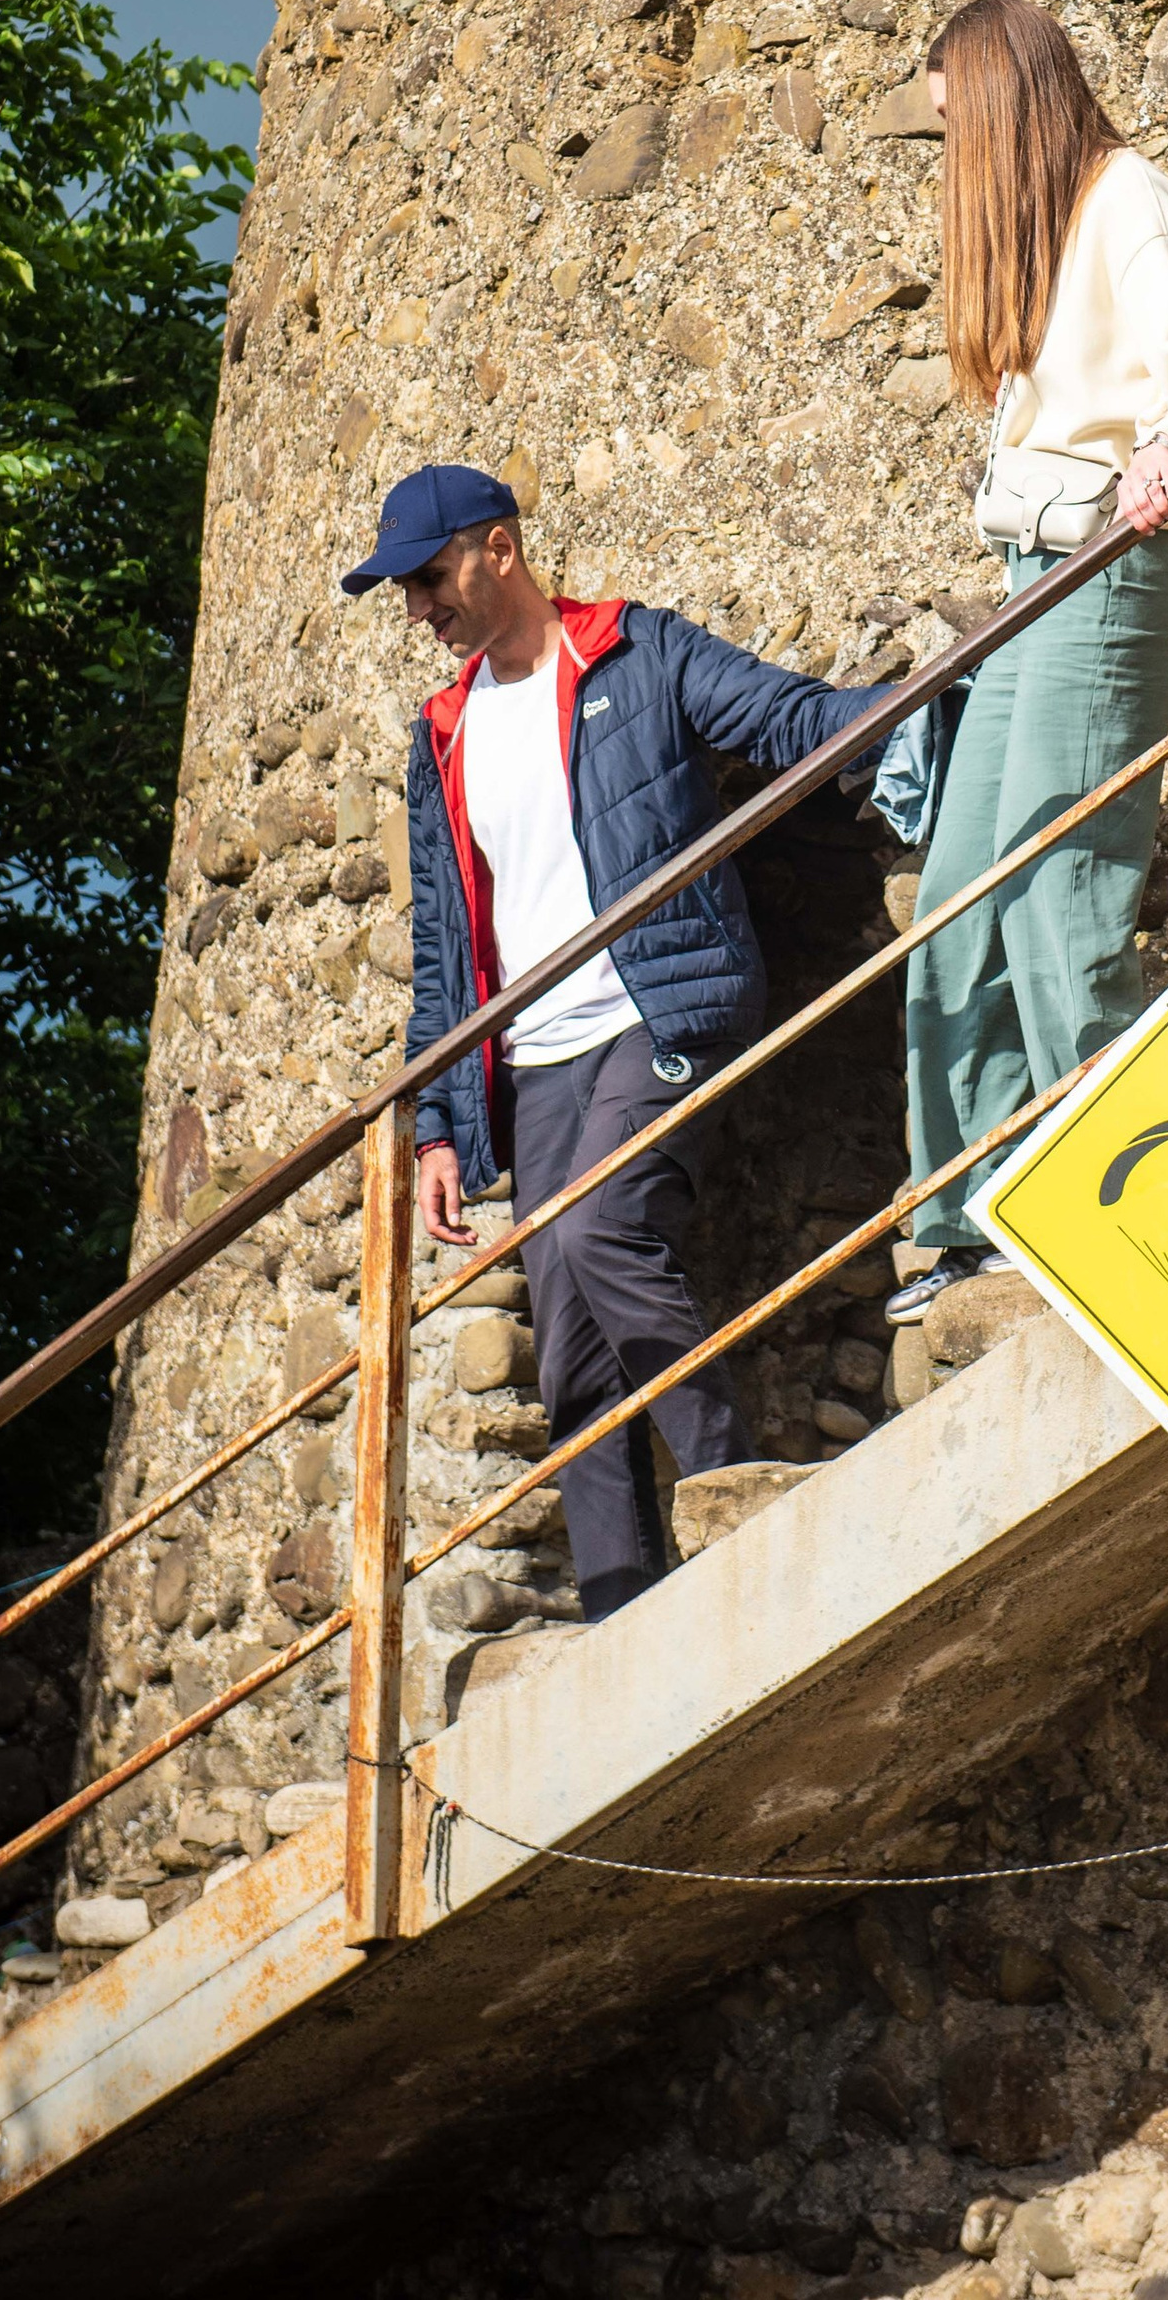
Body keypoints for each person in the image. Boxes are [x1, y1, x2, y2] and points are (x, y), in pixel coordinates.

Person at [341, 463, 882, 1620]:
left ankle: (739, 1489)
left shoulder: (635, 654)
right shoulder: (442, 730)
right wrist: (435, 1122)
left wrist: (930, 697)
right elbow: (446, 946)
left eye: (430, 577)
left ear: (498, 548)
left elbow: (787, 715)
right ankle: (623, 1606)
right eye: (403, 590)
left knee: (601, 1226)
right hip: (536, 1058)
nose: (417, 608)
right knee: (574, 1353)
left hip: (663, 1007)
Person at [887, 0, 1168, 1327]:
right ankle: (978, 1215)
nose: (951, 159)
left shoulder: (1126, 198)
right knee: (953, 900)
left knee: (1061, 885)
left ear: (997, 103)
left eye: (954, 124)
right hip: (1029, 575)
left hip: (1104, 565)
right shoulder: (1053, 235)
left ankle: (1143, 1219)